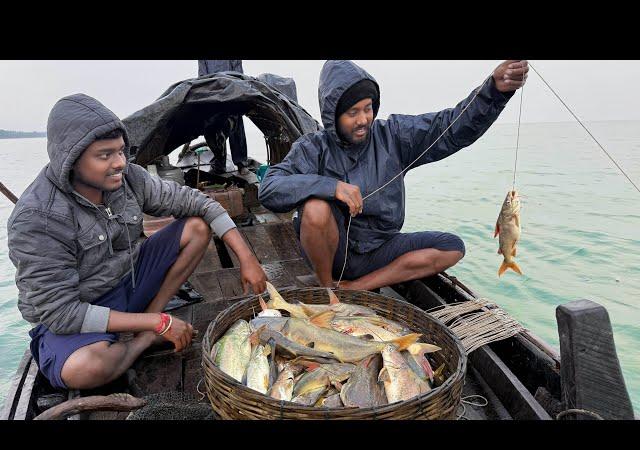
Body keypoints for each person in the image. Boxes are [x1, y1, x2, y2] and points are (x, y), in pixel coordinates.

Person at [7, 93, 267, 390]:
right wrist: (156, 326)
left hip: (126, 281)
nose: (119, 163)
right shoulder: (36, 217)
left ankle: (149, 315)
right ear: (71, 158)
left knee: (196, 228)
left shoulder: (129, 177)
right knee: (84, 369)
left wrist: (247, 258)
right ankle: (144, 337)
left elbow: (198, 203)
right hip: (77, 312)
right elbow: (62, 313)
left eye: (121, 151)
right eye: (105, 155)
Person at [259, 60, 528, 291]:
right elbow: (269, 188)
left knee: (452, 247)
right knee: (315, 208)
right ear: (333, 116)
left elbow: (450, 126)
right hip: (333, 253)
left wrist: (493, 92)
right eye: (352, 112)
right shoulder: (312, 147)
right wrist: (331, 187)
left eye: (368, 108)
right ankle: (328, 287)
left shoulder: (394, 135)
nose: (364, 119)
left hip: (380, 250)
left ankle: (356, 287)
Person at [198, 60, 250, 175]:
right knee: (213, 129)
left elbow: (239, 74)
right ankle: (219, 163)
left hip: (232, 92)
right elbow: (202, 77)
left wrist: (232, 90)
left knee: (236, 125)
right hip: (213, 95)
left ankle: (241, 162)